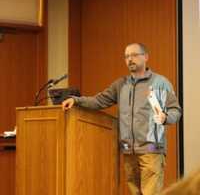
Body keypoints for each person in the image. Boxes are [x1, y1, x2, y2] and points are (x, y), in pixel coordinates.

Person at [62, 43, 182, 195]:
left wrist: (166, 117)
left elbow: (175, 111)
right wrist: (76, 100)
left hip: (151, 150)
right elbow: (99, 100)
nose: (130, 59)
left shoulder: (160, 83)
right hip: (128, 151)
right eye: (126, 56)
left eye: (134, 55)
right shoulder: (121, 85)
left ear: (145, 57)